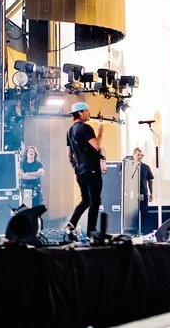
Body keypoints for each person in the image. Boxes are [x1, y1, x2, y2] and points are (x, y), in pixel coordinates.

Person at [65, 101, 105, 238]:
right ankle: (91, 233)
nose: (89, 113)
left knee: (86, 200)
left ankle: (71, 224)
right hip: (92, 169)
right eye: (87, 111)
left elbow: (69, 155)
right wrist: (100, 132)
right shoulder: (86, 128)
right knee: (95, 201)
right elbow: (97, 146)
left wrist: (77, 168)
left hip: (80, 171)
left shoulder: (69, 131)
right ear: (80, 113)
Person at [133, 147, 154, 215]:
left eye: (141, 155)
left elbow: (150, 181)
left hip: (143, 194)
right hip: (131, 195)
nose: (140, 157)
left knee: (144, 213)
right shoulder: (127, 167)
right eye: (138, 155)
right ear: (134, 155)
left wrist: (151, 193)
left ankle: (143, 225)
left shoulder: (145, 167)